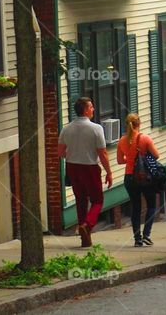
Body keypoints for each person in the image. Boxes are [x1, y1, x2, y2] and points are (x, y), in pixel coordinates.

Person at [58, 97, 113, 248]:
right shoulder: (96, 128)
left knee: (80, 200)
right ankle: (87, 225)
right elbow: (102, 153)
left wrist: (72, 154)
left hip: (72, 167)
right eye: (91, 107)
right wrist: (109, 172)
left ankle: (85, 239)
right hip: (89, 167)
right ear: (85, 110)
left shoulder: (66, 128)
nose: (93, 109)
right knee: (97, 200)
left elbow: (60, 152)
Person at [116, 113, 161, 247]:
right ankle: (147, 234)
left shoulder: (122, 141)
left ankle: (137, 239)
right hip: (145, 177)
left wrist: (131, 160)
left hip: (130, 177)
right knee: (151, 205)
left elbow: (119, 160)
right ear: (139, 124)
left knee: (135, 208)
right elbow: (156, 155)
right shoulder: (145, 139)